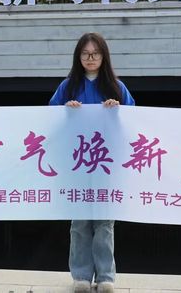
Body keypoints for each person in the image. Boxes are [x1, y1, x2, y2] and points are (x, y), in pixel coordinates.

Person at [49, 32, 135, 293]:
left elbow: (134, 121)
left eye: (95, 53)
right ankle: (81, 276)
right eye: (85, 54)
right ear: (78, 57)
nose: (90, 58)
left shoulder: (117, 87)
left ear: (103, 56)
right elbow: (50, 117)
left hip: (106, 165)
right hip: (76, 164)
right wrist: (66, 110)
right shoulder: (67, 87)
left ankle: (106, 276)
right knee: (80, 223)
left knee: (105, 223)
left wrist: (117, 109)